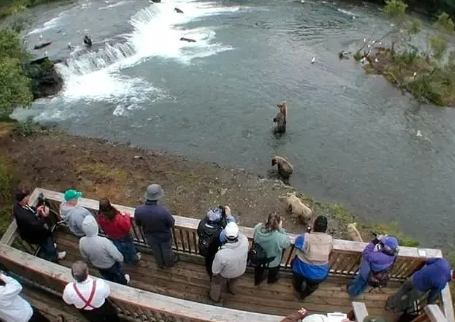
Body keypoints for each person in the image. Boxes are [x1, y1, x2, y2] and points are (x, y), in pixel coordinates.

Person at [385, 257, 454, 313]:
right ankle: (396, 310)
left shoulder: (443, 262)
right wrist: (429, 303)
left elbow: (428, 261)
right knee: (408, 300)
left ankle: (389, 304)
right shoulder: (442, 284)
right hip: (419, 290)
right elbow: (432, 294)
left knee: (401, 291)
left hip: (414, 278)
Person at [13, 189, 66, 262]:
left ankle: (49, 248)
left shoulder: (19, 204)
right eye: (28, 196)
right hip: (37, 235)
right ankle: (55, 256)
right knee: (47, 243)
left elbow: (30, 213)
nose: (29, 197)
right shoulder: (24, 216)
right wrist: (45, 216)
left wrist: (37, 211)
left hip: (33, 233)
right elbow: (36, 225)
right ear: (24, 199)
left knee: (45, 244)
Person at [134, 184, 177, 268]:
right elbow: (171, 223)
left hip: (150, 236)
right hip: (164, 236)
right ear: (158, 197)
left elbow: (138, 223)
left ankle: (160, 264)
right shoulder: (163, 211)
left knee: (155, 251)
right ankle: (169, 263)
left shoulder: (138, 210)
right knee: (167, 251)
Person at [79, 216, 129, 285]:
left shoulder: (82, 241)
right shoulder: (104, 241)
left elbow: (85, 256)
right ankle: (123, 282)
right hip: (111, 265)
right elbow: (115, 254)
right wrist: (121, 259)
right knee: (118, 274)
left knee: (107, 276)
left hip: (98, 265)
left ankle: (111, 283)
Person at [292, 215, 333, 300]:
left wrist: (308, 233)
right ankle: (304, 295)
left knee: (297, 279)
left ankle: (298, 289)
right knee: (312, 286)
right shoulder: (329, 239)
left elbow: (297, 244)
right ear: (325, 228)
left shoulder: (305, 237)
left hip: (301, 269)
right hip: (319, 274)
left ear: (314, 226)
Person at [209, 222, 249, 303]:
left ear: (225, 236)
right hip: (240, 270)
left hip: (225, 274)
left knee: (216, 282)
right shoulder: (245, 242)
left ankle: (214, 297)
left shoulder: (221, 254)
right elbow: (241, 236)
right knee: (234, 280)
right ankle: (232, 290)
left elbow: (215, 271)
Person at [97, 199, 141, 264]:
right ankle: (134, 259)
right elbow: (127, 226)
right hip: (123, 235)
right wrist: (126, 216)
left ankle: (125, 259)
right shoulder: (116, 217)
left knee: (119, 248)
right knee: (129, 246)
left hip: (112, 236)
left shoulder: (100, 217)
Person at [197, 206, 235, 277]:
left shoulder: (201, 224)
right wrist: (229, 216)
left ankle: (210, 275)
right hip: (216, 253)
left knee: (208, 263)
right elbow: (232, 229)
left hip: (206, 250)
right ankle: (216, 276)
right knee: (218, 265)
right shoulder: (220, 233)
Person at [253, 213, 291, 285]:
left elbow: (254, 236)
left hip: (259, 258)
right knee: (273, 273)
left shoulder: (258, 227)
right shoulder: (279, 237)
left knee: (258, 271)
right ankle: (271, 280)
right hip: (272, 262)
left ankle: (257, 281)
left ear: (267, 220)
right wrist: (281, 229)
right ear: (279, 223)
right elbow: (287, 243)